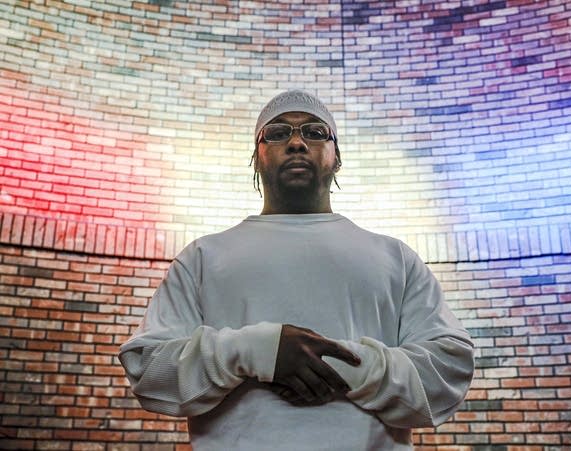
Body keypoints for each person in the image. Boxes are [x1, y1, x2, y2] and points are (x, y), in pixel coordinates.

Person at [118, 90, 475, 450]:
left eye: (315, 132)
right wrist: (256, 350)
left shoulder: (394, 256)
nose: (296, 142)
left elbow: (448, 370)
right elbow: (149, 369)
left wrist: (346, 365)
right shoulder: (203, 256)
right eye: (277, 133)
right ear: (256, 158)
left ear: (337, 157)